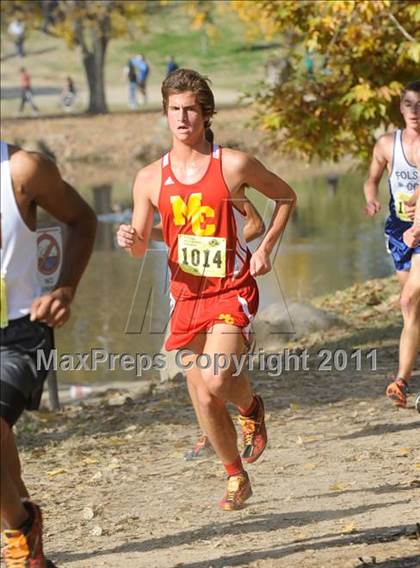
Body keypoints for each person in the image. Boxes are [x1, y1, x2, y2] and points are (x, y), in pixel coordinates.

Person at [117, 69, 296, 510]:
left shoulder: (232, 164)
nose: (182, 118)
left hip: (231, 287)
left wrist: (266, 246)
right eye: (174, 109)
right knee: (202, 394)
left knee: (215, 380)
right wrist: (130, 239)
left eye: (191, 109)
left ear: (206, 113)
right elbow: (141, 248)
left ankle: (250, 407)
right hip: (185, 295)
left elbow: (286, 197)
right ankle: (236, 473)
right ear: (165, 113)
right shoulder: (148, 179)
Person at [0, 142, 97, 567]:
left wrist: (65, 288)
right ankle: (24, 537)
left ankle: (22, 531)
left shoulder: (25, 169)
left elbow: (82, 219)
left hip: (19, 335)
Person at [150, 193, 265, 461]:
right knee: (194, 374)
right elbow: (168, 234)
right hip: (186, 290)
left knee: (216, 374)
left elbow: (256, 225)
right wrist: (140, 234)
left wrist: (219, 252)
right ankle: (211, 433)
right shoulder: (168, 180)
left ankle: (247, 413)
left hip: (224, 290)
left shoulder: (224, 180)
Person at [363, 80, 420, 408]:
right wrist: (371, 200)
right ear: (400, 108)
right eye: (409, 105)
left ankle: (400, 380)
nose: (415, 112)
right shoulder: (387, 144)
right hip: (399, 231)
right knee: (411, 308)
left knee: (409, 300)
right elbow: (371, 179)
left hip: (419, 230)